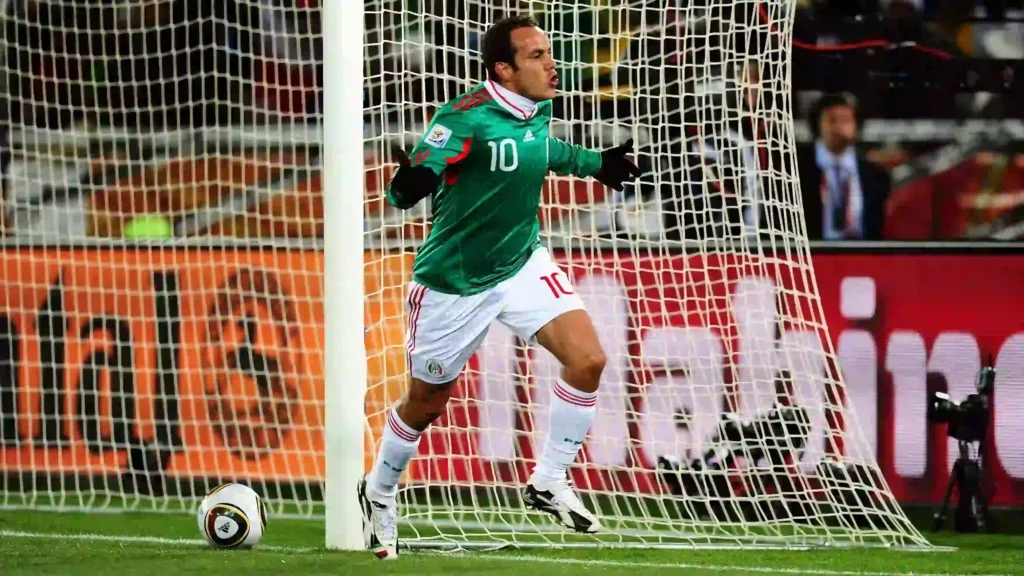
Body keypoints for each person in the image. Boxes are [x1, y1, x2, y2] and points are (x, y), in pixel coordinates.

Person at [357, 15, 643, 561]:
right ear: (503, 70)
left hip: (520, 261)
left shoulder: (537, 108)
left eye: (549, 52)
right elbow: (411, 182)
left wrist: (594, 165)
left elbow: (543, 151)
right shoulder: (463, 118)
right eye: (537, 56)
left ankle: (550, 479)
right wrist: (409, 184)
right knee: (426, 403)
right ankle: (379, 493)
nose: (552, 63)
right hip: (455, 281)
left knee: (588, 360)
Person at [798, 92, 891, 240]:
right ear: (817, 125)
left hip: (862, 255)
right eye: (832, 120)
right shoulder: (796, 171)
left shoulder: (875, 174)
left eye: (845, 120)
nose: (838, 127)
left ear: (856, 125)